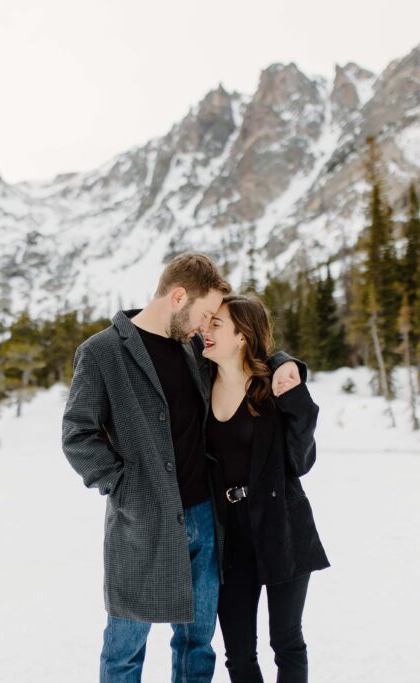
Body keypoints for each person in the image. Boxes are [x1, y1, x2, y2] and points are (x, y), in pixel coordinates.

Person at [61, 253, 306, 683]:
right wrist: (124, 488)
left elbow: (247, 352)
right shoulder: (101, 353)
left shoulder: (194, 348)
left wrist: (287, 362)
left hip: (205, 520)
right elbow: (78, 436)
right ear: (178, 297)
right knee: (124, 647)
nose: (206, 326)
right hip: (141, 523)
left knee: (197, 644)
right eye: (205, 314)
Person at [202, 294, 329, 683]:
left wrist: (293, 394)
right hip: (229, 535)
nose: (205, 330)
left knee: (286, 642)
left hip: (281, 527)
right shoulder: (199, 382)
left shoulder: (271, 388)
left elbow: (301, 463)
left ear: (242, 336)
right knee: (238, 652)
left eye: (216, 325)